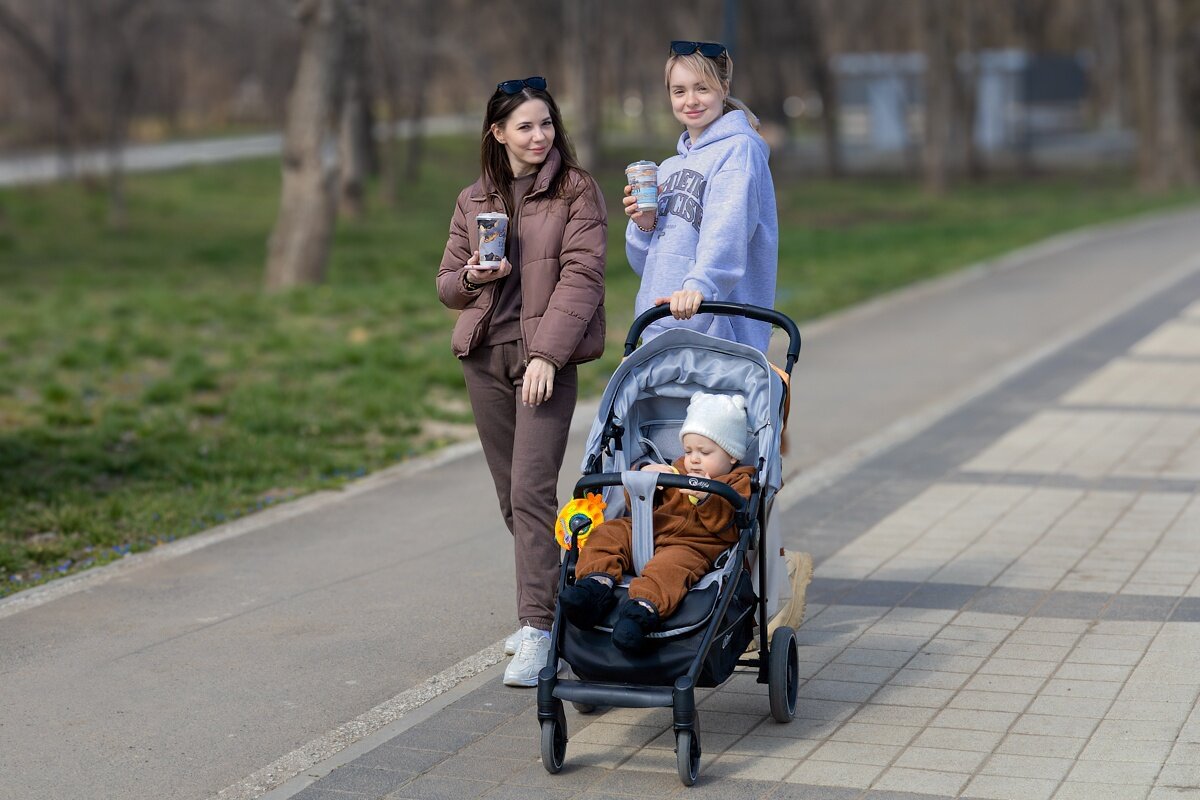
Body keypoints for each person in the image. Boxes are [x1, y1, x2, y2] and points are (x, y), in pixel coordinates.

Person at [436, 76, 607, 686]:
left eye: (547, 123)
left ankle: (538, 628)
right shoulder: (472, 198)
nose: (540, 136)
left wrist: (547, 357)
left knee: (533, 492)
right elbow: (446, 285)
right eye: (525, 126)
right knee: (512, 498)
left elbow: (583, 277)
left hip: (542, 363)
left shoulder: (576, 190)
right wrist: (475, 277)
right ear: (498, 132)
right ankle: (567, 602)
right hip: (485, 358)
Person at [557, 392, 755, 652]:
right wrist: (645, 479)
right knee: (609, 532)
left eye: (704, 452)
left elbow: (729, 526)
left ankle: (640, 612)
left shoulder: (738, 483)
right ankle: (595, 586)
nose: (694, 458)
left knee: (669, 569)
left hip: (692, 546)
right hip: (649, 531)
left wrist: (707, 497)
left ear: (732, 455)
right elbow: (637, 505)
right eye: (688, 450)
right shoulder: (677, 469)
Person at [624, 40, 778, 354]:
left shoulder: (739, 150)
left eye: (702, 88)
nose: (690, 101)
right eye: (679, 91)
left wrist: (700, 286)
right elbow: (647, 265)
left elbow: (728, 229)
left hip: (718, 336)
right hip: (660, 330)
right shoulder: (668, 168)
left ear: (724, 88)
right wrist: (644, 224)